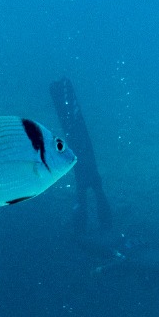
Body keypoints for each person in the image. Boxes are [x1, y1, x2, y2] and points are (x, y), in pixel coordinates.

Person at [49, 77, 112, 236]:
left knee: (85, 189)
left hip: (82, 159)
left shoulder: (70, 118)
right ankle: (102, 227)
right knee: (93, 188)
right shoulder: (74, 118)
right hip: (86, 158)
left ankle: (82, 231)